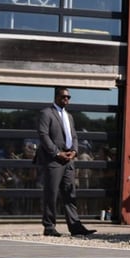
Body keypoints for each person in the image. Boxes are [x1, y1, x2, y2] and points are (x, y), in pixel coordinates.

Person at [34, 86, 97, 237]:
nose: (66, 100)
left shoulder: (69, 116)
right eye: (64, 97)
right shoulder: (46, 113)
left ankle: (75, 226)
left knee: (70, 194)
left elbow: (74, 136)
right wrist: (57, 153)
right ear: (56, 97)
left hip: (69, 160)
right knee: (51, 194)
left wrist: (74, 151)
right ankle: (49, 227)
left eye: (68, 97)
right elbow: (43, 136)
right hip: (53, 160)